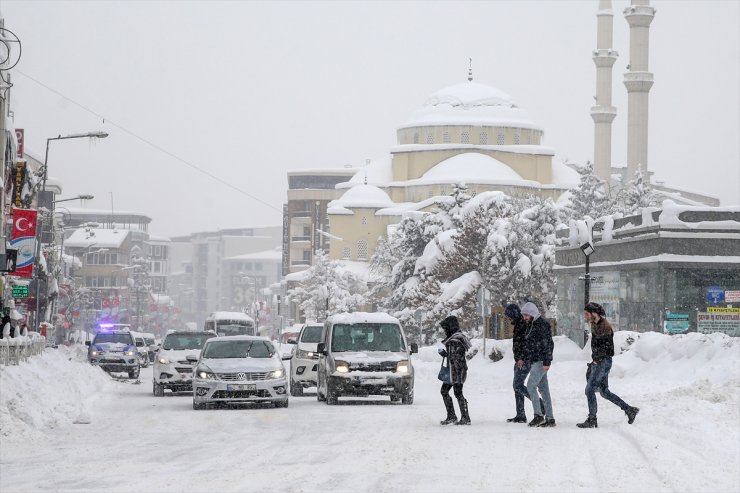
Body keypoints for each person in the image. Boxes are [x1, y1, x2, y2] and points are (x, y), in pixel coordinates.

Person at [577, 302, 639, 428]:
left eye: (587, 314)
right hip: (600, 362)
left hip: (603, 363)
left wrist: (597, 360)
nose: (586, 316)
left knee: (589, 390)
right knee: (604, 392)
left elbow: (609, 349)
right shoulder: (595, 325)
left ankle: (592, 419)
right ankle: (629, 410)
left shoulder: (605, 327)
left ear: (594, 314)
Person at [505, 303, 541, 423]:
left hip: (523, 360)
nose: (508, 318)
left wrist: (521, 358)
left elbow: (525, 344)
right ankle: (520, 414)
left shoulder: (522, 325)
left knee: (518, 385)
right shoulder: (519, 324)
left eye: (508, 316)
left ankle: (540, 406)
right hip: (519, 359)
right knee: (517, 386)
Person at [522, 302, 556, 427]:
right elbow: (530, 344)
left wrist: (547, 361)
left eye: (526, 315)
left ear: (532, 313)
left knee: (531, 386)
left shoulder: (542, 325)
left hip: (541, 361)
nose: (524, 317)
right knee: (544, 390)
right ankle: (550, 418)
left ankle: (538, 415)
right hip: (536, 361)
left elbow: (548, 344)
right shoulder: (531, 325)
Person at [438, 315, 472, 425]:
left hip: (456, 372)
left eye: (445, 328)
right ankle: (455, 416)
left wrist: (448, 355)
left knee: (456, 392)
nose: (445, 331)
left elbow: (457, 357)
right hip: (455, 371)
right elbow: (455, 355)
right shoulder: (456, 338)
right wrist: (447, 354)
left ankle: (463, 417)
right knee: (451, 392)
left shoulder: (455, 339)